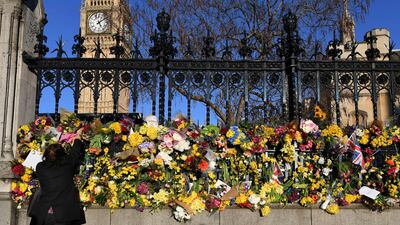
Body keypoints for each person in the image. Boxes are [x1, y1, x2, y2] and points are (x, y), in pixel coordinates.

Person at [29, 130, 86, 225]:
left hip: (44, 215)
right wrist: (77, 136)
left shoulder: (40, 167)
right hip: (64, 215)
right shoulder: (67, 165)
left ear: (46, 155)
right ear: (62, 155)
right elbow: (75, 152)